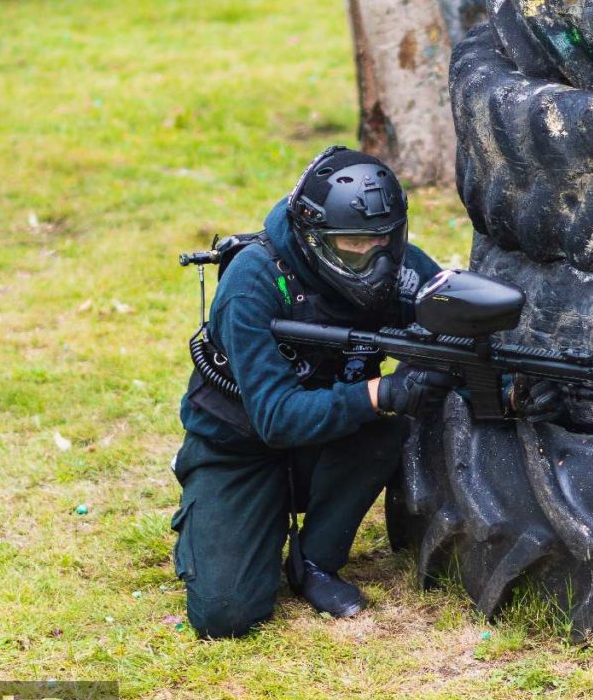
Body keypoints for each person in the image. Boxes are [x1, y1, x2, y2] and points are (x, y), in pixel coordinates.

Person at [171, 146, 456, 638]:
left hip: (333, 441)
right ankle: (212, 517)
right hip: (239, 447)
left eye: (384, 240)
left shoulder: (396, 265)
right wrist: (382, 391)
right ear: (312, 239)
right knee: (226, 616)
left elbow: (459, 319)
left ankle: (316, 562)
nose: (374, 260)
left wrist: (513, 385)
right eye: (352, 245)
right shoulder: (253, 283)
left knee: (384, 429)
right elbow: (276, 418)